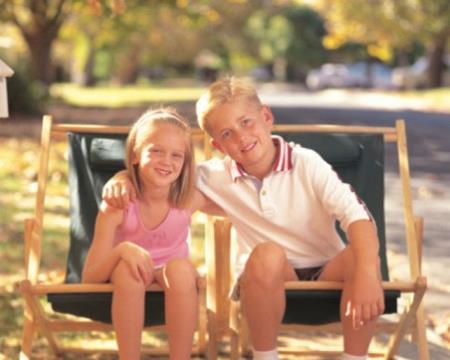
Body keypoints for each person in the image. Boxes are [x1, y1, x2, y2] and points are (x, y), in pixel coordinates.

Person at [102, 77, 384, 360]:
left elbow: (357, 216)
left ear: (266, 116)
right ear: (218, 146)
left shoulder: (307, 163)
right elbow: (163, 177)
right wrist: (124, 176)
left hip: (327, 271)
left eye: (246, 122)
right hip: (264, 278)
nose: (240, 137)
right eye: (227, 134)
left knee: (363, 257)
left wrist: (369, 276)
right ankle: (265, 356)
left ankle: (355, 357)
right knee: (268, 253)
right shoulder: (214, 177)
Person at [82, 107, 220, 360]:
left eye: (177, 155)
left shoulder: (188, 200)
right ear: (135, 155)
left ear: (185, 163)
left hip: (174, 280)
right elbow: (90, 276)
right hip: (129, 280)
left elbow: (242, 206)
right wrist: (122, 251)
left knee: (180, 269)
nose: (166, 161)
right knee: (127, 270)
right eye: (156, 151)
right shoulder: (118, 205)